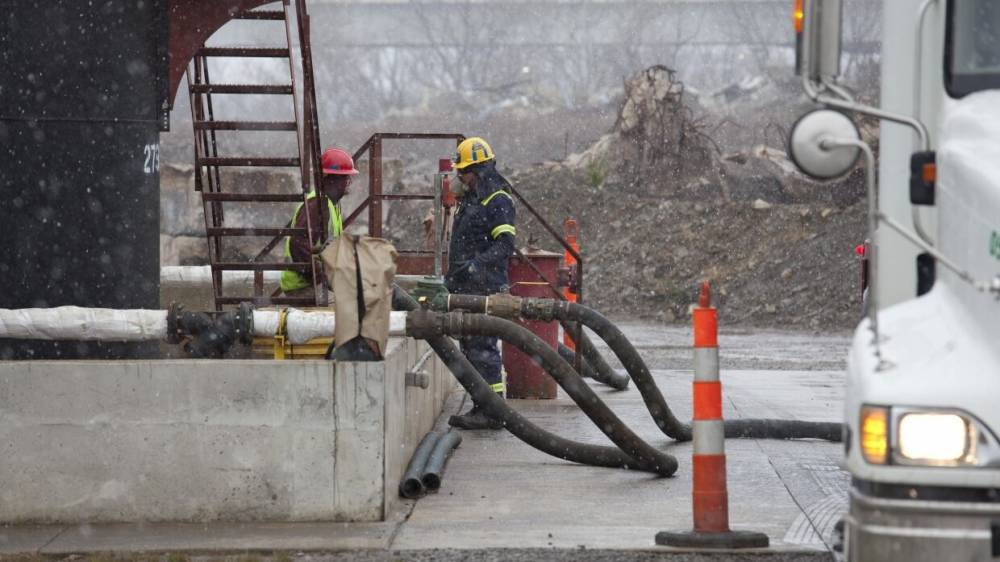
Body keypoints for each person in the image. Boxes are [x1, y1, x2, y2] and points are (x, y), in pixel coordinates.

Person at [445, 137, 517, 430]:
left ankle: (493, 411)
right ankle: (482, 406)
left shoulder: (497, 199)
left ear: (478, 169)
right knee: (472, 349)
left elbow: (505, 245)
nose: (459, 178)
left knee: (484, 350)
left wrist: (476, 266)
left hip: (484, 287)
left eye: (463, 172)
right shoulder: (473, 198)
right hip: (467, 286)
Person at [279, 147, 357, 297]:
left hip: (313, 283)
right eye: (345, 177)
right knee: (353, 309)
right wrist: (320, 278)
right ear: (333, 180)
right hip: (303, 286)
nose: (348, 182)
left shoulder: (330, 204)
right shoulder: (317, 205)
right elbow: (297, 245)